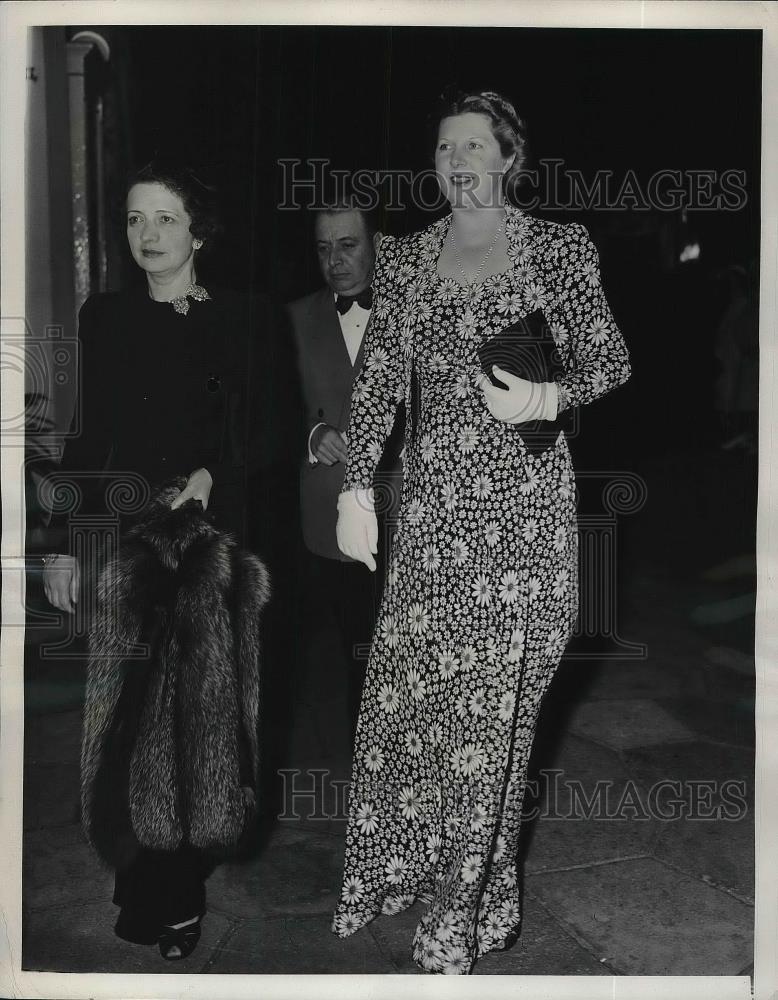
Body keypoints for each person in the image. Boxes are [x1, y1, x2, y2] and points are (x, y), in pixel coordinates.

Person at [331, 89, 631, 974]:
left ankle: (453, 921)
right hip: (429, 525)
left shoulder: (556, 245)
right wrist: (356, 488)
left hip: (525, 524)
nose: (456, 161)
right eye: (442, 147)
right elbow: (379, 379)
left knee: (493, 722)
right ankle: (486, 895)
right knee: (425, 717)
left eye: (472, 145)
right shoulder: (410, 257)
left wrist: (551, 396)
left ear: (508, 156)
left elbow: (608, 356)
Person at [38, 160, 269, 960]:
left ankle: (176, 896)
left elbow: (266, 437)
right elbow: (84, 437)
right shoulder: (105, 317)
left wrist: (214, 476)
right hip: (123, 548)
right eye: (135, 220)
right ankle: (141, 877)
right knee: (127, 717)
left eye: (165, 219)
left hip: (206, 553)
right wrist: (67, 547)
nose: (147, 235)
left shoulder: (242, 319)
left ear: (198, 230)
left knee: (192, 728)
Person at [287, 203, 402, 744]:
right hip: (329, 521)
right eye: (323, 247)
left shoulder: (415, 313)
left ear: (377, 242)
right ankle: (370, 769)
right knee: (357, 646)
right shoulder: (291, 319)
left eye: (348, 244)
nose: (335, 260)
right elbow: (266, 413)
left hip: (413, 513)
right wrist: (310, 435)